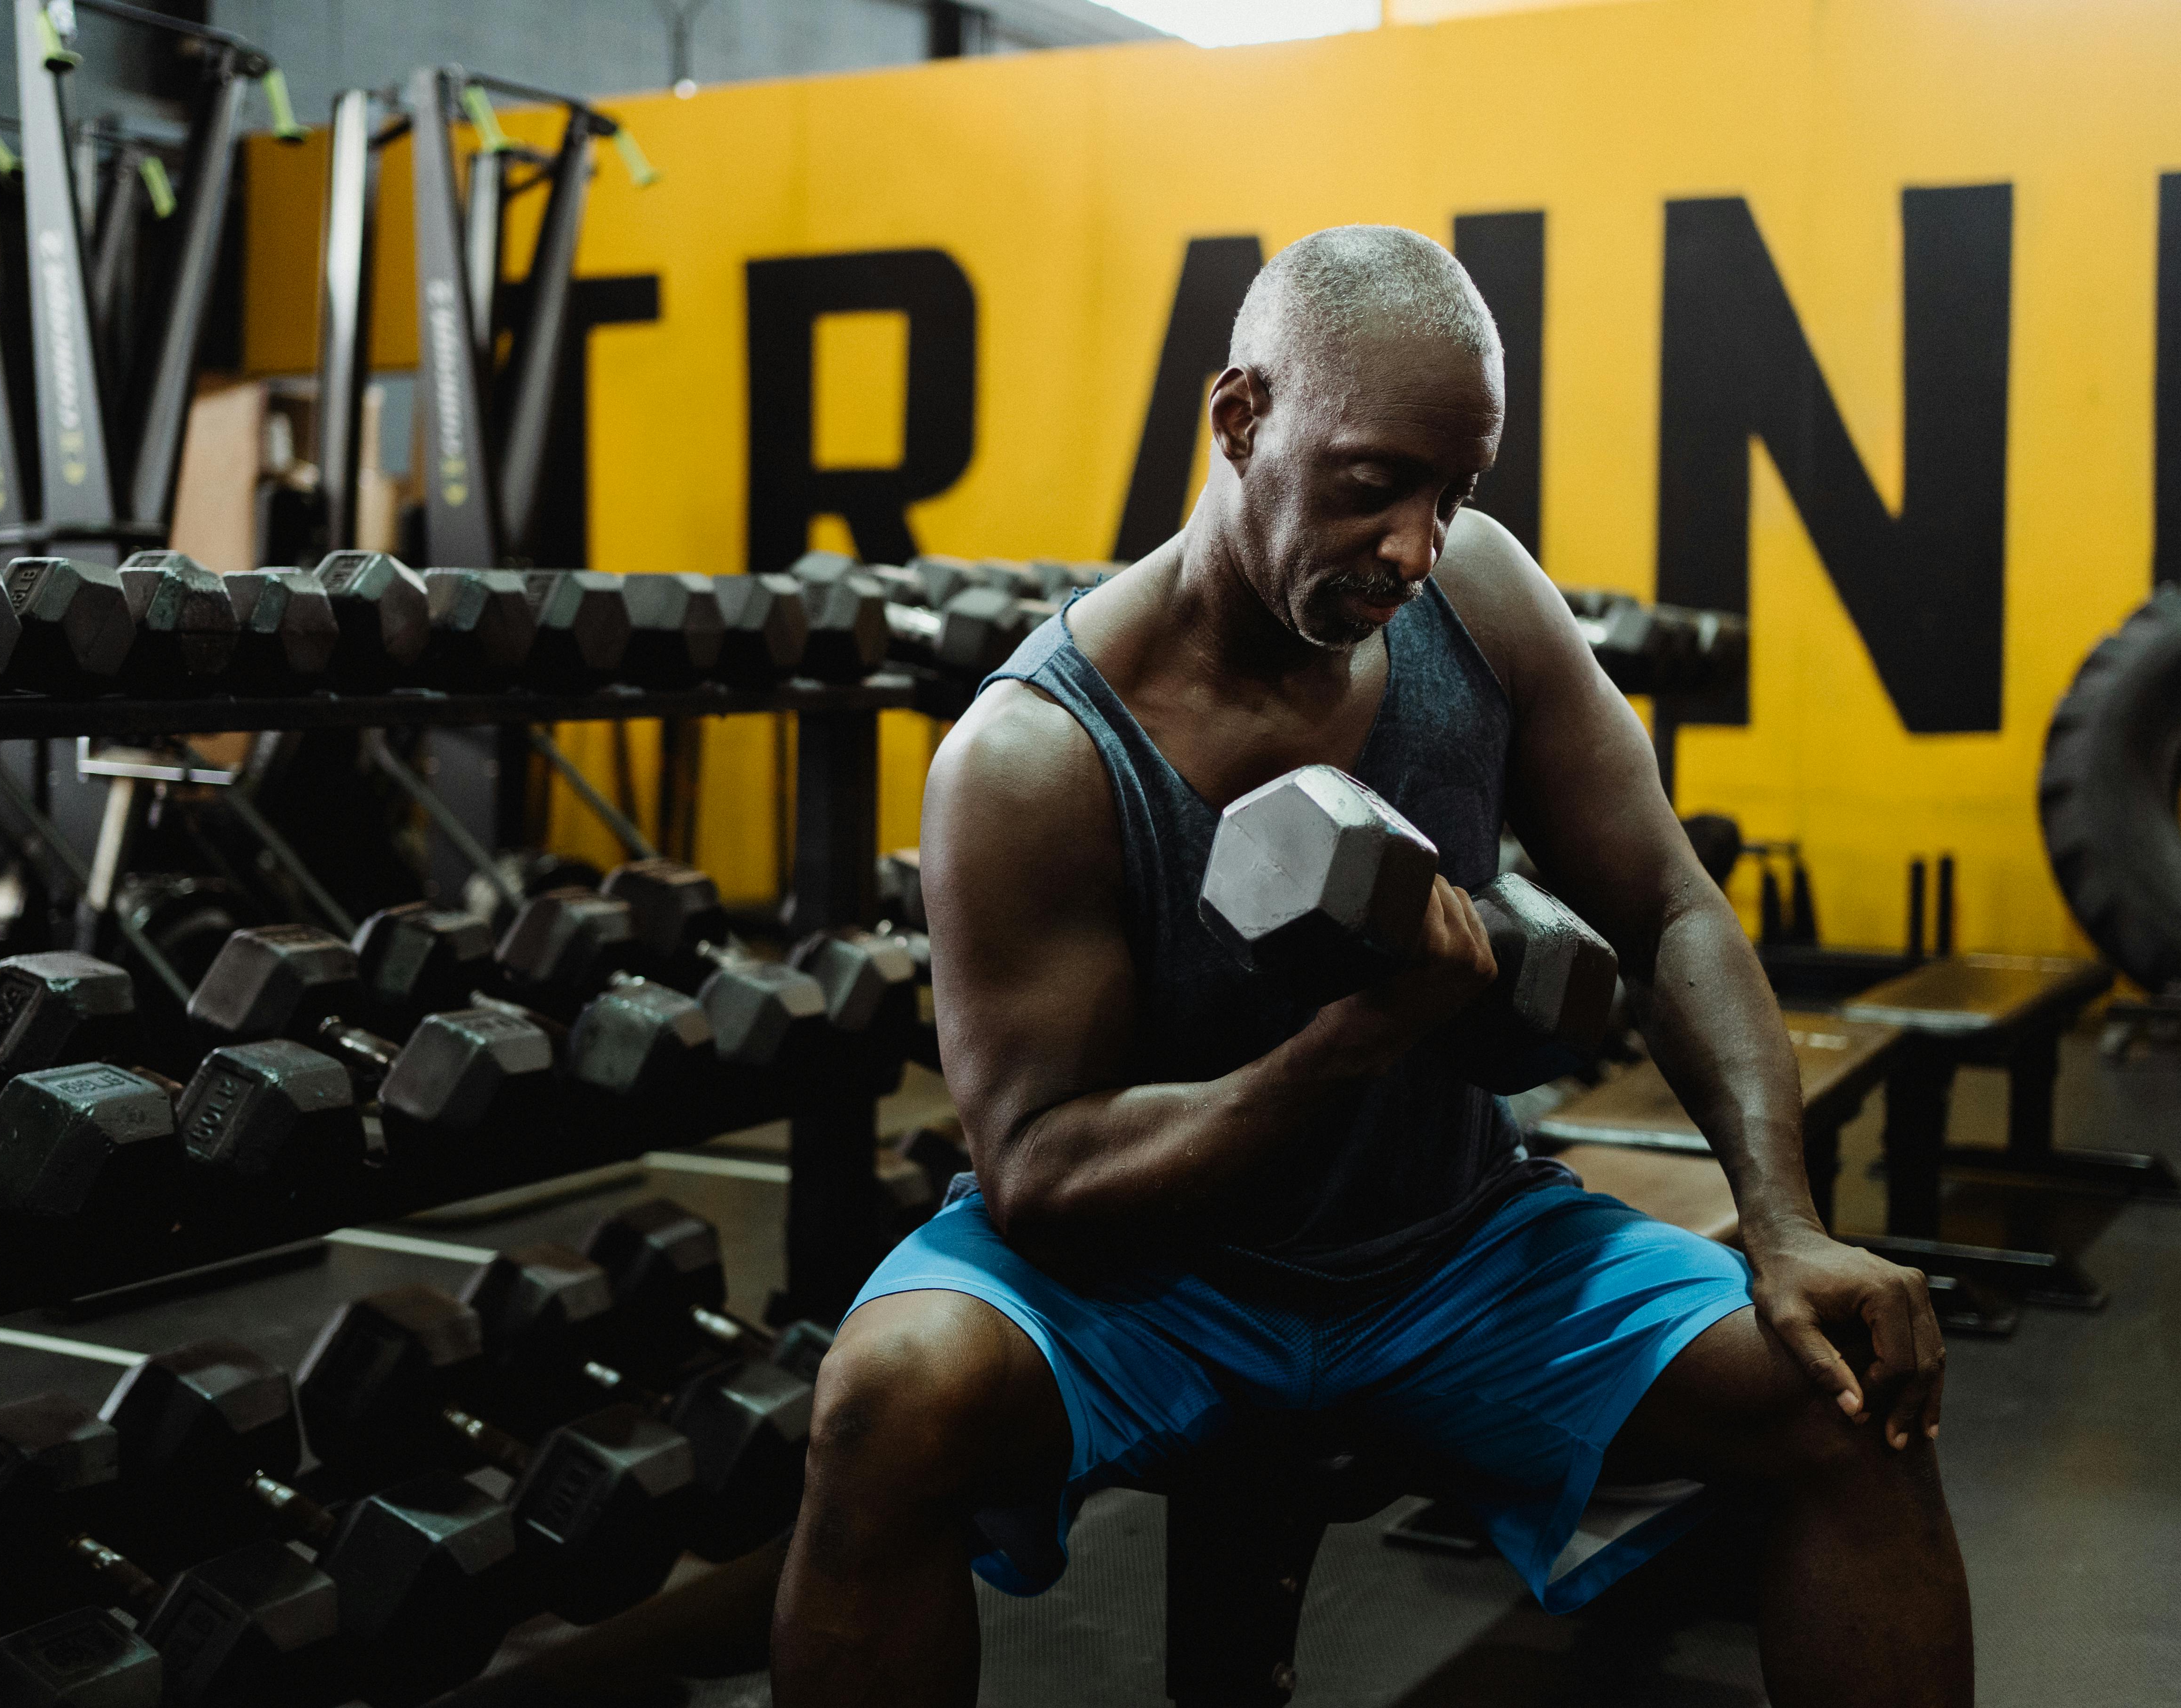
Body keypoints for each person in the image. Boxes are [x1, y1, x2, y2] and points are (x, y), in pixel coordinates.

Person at [770, 226, 1971, 1708]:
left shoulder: (1478, 601)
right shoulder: (1032, 756)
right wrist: (1354, 1040)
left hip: (1450, 1250)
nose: (1413, 543)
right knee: (886, 1399)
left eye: (1453, 490)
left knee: (1847, 1398)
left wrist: (1782, 1224)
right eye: (1369, 484)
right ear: (1239, 419)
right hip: (1149, 1283)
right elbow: (1040, 1171)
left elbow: (1664, 907)